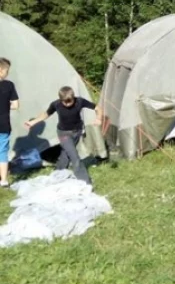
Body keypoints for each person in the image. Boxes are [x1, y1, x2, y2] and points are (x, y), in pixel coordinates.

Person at [24, 86, 100, 186]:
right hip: (63, 133)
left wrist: (99, 118)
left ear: (73, 97)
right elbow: (46, 114)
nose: (68, 104)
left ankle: (57, 173)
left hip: (77, 131)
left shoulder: (80, 101)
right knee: (74, 156)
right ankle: (85, 182)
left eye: (70, 101)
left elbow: (97, 107)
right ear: (60, 99)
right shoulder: (56, 104)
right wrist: (33, 122)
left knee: (66, 154)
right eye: (65, 102)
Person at [0, 58, 20, 188]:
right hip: (3, 124)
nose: (8, 73)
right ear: (1, 70)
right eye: (7, 70)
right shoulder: (9, 85)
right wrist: (5, 105)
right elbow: (16, 105)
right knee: (2, 152)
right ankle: (4, 180)